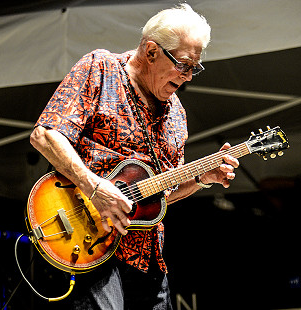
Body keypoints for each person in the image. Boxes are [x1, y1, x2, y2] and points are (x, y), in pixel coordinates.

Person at [30, 3, 239, 309]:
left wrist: (200, 180)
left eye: (195, 67)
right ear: (151, 52)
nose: (189, 76)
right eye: (183, 64)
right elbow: (46, 135)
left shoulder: (177, 114)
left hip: (146, 259)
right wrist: (95, 187)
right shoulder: (101, 68)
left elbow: (158, 194)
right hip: (87, 245)